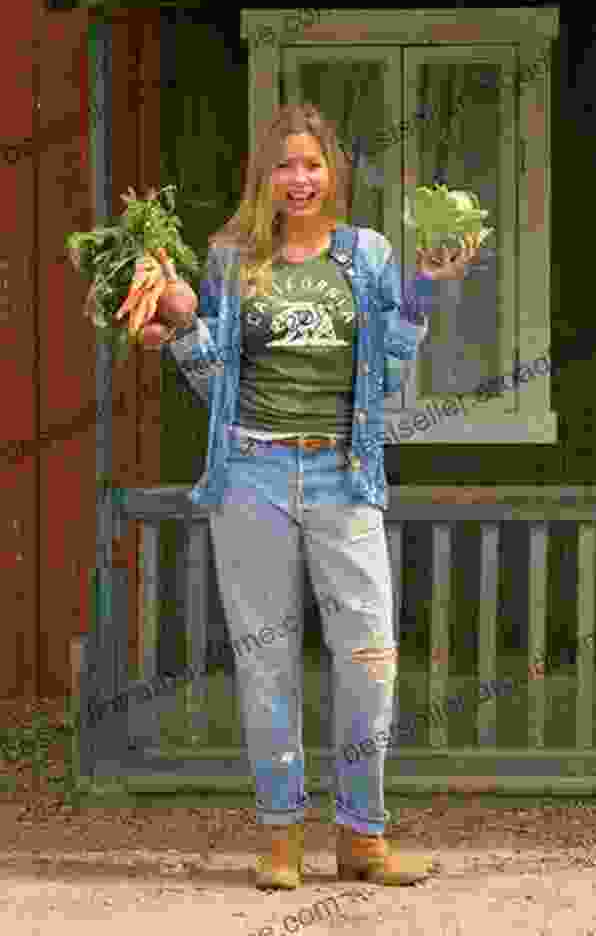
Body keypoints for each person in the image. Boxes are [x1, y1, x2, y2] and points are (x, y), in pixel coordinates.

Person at [135, 102, 480, 889]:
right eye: (284, 165)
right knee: (267, 664)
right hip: (250, 472)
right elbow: (213, 379)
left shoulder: (366, 255)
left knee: (368, 658)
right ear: (265, 175)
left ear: (334, 175)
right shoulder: (229, 260)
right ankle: (282, 836)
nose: (298, 179)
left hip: (343, 474)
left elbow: (389, 367)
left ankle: (362, 836)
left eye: (312, 164)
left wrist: (423, 290)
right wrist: (184, 327)